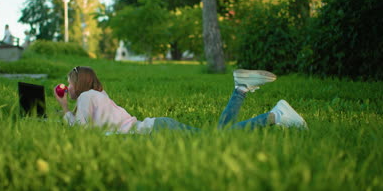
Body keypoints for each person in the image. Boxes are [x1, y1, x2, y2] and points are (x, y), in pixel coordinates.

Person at [53, 66, 307, 134]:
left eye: (70, 82)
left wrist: (65, 106)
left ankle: (275, 116)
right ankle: (240, 89)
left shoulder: (86, 98)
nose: (68, 86)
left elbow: (83, 132)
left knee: (216, 140)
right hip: (158, 126)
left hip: (156, 132)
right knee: (218, 138)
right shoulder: (97, 95)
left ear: (81, 84)